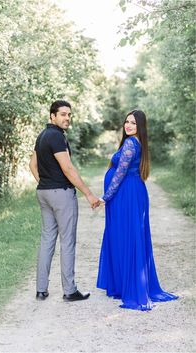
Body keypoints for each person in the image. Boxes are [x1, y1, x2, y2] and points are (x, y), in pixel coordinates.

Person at [97, 110, 178, 310]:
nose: (128, 125)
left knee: (126, 237)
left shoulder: (131, 143)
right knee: (124, 236)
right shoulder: (134, 142)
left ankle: (130, 287)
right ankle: (123, 285)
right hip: (129, 193)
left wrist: (105, 197)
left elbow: (120, 173)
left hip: (126, 196)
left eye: (133, 123)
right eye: (126, 122)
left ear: (139, 126)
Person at [29, 100, 99, 302]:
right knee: (67, 241)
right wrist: (88, 193)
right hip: (61, 194)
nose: (67, 118)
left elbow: (32, 164)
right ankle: (69, 291)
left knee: (47, 240)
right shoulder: (57, 137)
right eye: (62, 114)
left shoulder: (42, 136)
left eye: (69, 114)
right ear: (52, 116)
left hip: (44, 193)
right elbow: (68, 168)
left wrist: (45, 183)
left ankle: (41, 290)